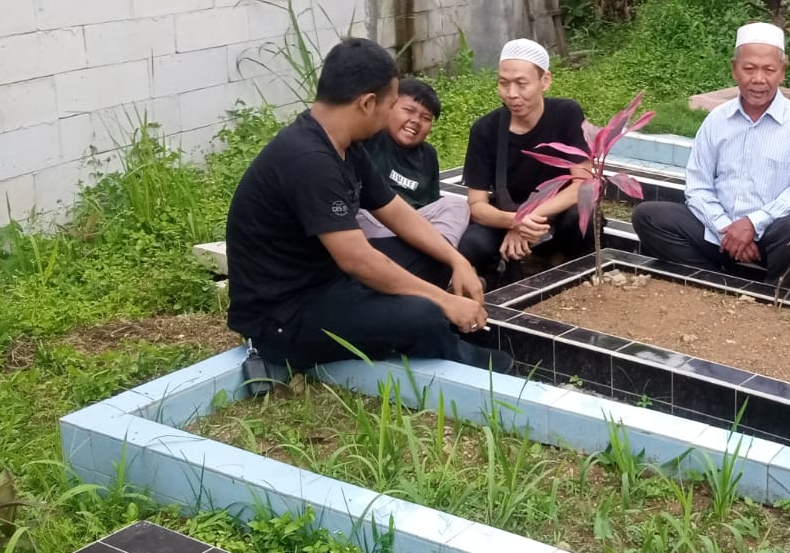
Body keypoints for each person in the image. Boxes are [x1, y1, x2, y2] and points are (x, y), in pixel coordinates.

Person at [225, 38, 508, 372]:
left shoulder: (342, 143)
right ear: (367, 103)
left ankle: (427, 321)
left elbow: (395, 210)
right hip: (283, 316)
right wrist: (444, 300)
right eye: (391, 106)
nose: (391, 115)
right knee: (424, 314)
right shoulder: (309, 159)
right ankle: (466, 359)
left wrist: (457, 260)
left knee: (435, 255)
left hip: (329, 282)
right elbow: (358, 260)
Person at [632, 22, 790, 284]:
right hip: (718, 234)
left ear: (783, 72)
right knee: (649, 217)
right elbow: (698, 186)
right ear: (734, 70)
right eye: (749, 69)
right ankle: (713, 281)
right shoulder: (717, 119)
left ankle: (772, 292)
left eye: (769, 70)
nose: (758, 79)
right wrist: (726, 229)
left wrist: (752, 224)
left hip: (770, 238)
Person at [460, 39, 594, 285]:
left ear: (545, 81)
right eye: (503, 83)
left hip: (555, 211)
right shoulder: (485, 130)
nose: (511, 94)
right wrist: (515, 222)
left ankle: (566, 264)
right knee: (472, 245)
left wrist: (527, 219)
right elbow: (477, 205)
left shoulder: (565, 114)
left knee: (583, 214)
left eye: (522, 84)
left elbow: (583, 184)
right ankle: (494, 278)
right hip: (506, 215)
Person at [355, 78, 472, 251]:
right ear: (390, 107)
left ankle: (441, 254)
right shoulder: (371, 137)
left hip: (413, 224)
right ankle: (432, 256)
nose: (416, 121)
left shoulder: (428, 155)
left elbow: (431, 204)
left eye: (426, 118)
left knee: (458, 205)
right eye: (408, 110)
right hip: (375, 221)